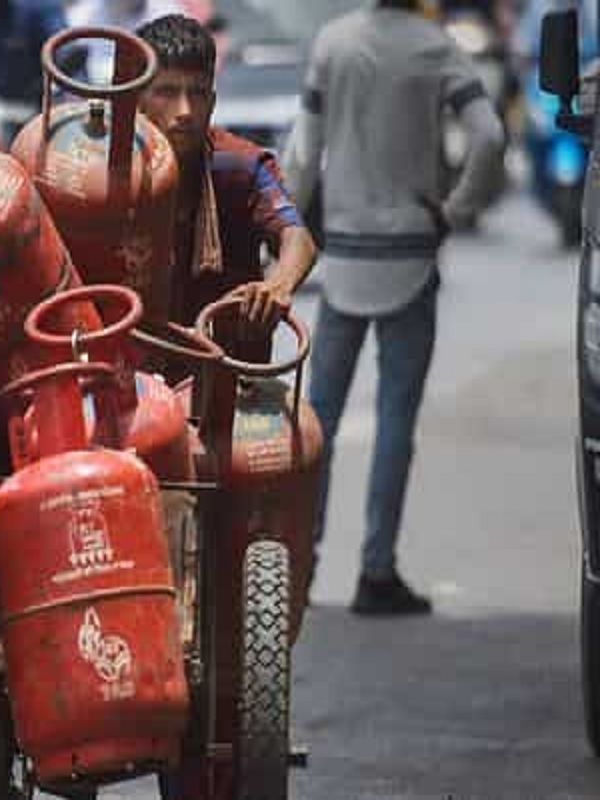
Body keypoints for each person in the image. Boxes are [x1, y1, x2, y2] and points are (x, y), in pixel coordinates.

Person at [283, 0, 505, 615]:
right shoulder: (436, 48)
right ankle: (376, 572)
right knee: (395, 419)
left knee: (318, 419)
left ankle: (301, 568)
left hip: (345, 255)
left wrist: (288, 229)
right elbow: (489, 134)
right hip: (410, 254)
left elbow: (302, 151)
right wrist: (456, 210)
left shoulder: (333, 43)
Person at [134, 14, 317, 338]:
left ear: (213, 102)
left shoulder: (243, 165)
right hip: (132, 370)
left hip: (228, 368)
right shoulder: (107, 172)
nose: (185, 111)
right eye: (166, 92)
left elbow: (297, 238)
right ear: (136, 102)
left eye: (198, 93)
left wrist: (279, 284)